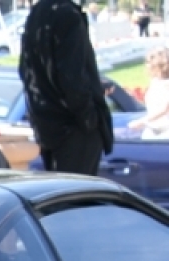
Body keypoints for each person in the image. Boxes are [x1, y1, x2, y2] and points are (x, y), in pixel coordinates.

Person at [20, 0, 113, 176]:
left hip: (49, 123)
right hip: (73, 126)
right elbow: (71, 76)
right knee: (76, 195)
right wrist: (88, 118)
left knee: (63, 193)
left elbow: (27, 70)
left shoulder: (38, 13)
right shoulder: (67, 15)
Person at [129, 47, 169, 137]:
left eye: (149, 62)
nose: (146, 65)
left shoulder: (166, 85)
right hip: (153, 129)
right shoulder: (155, 82)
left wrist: (141, 121)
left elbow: (164, 109)